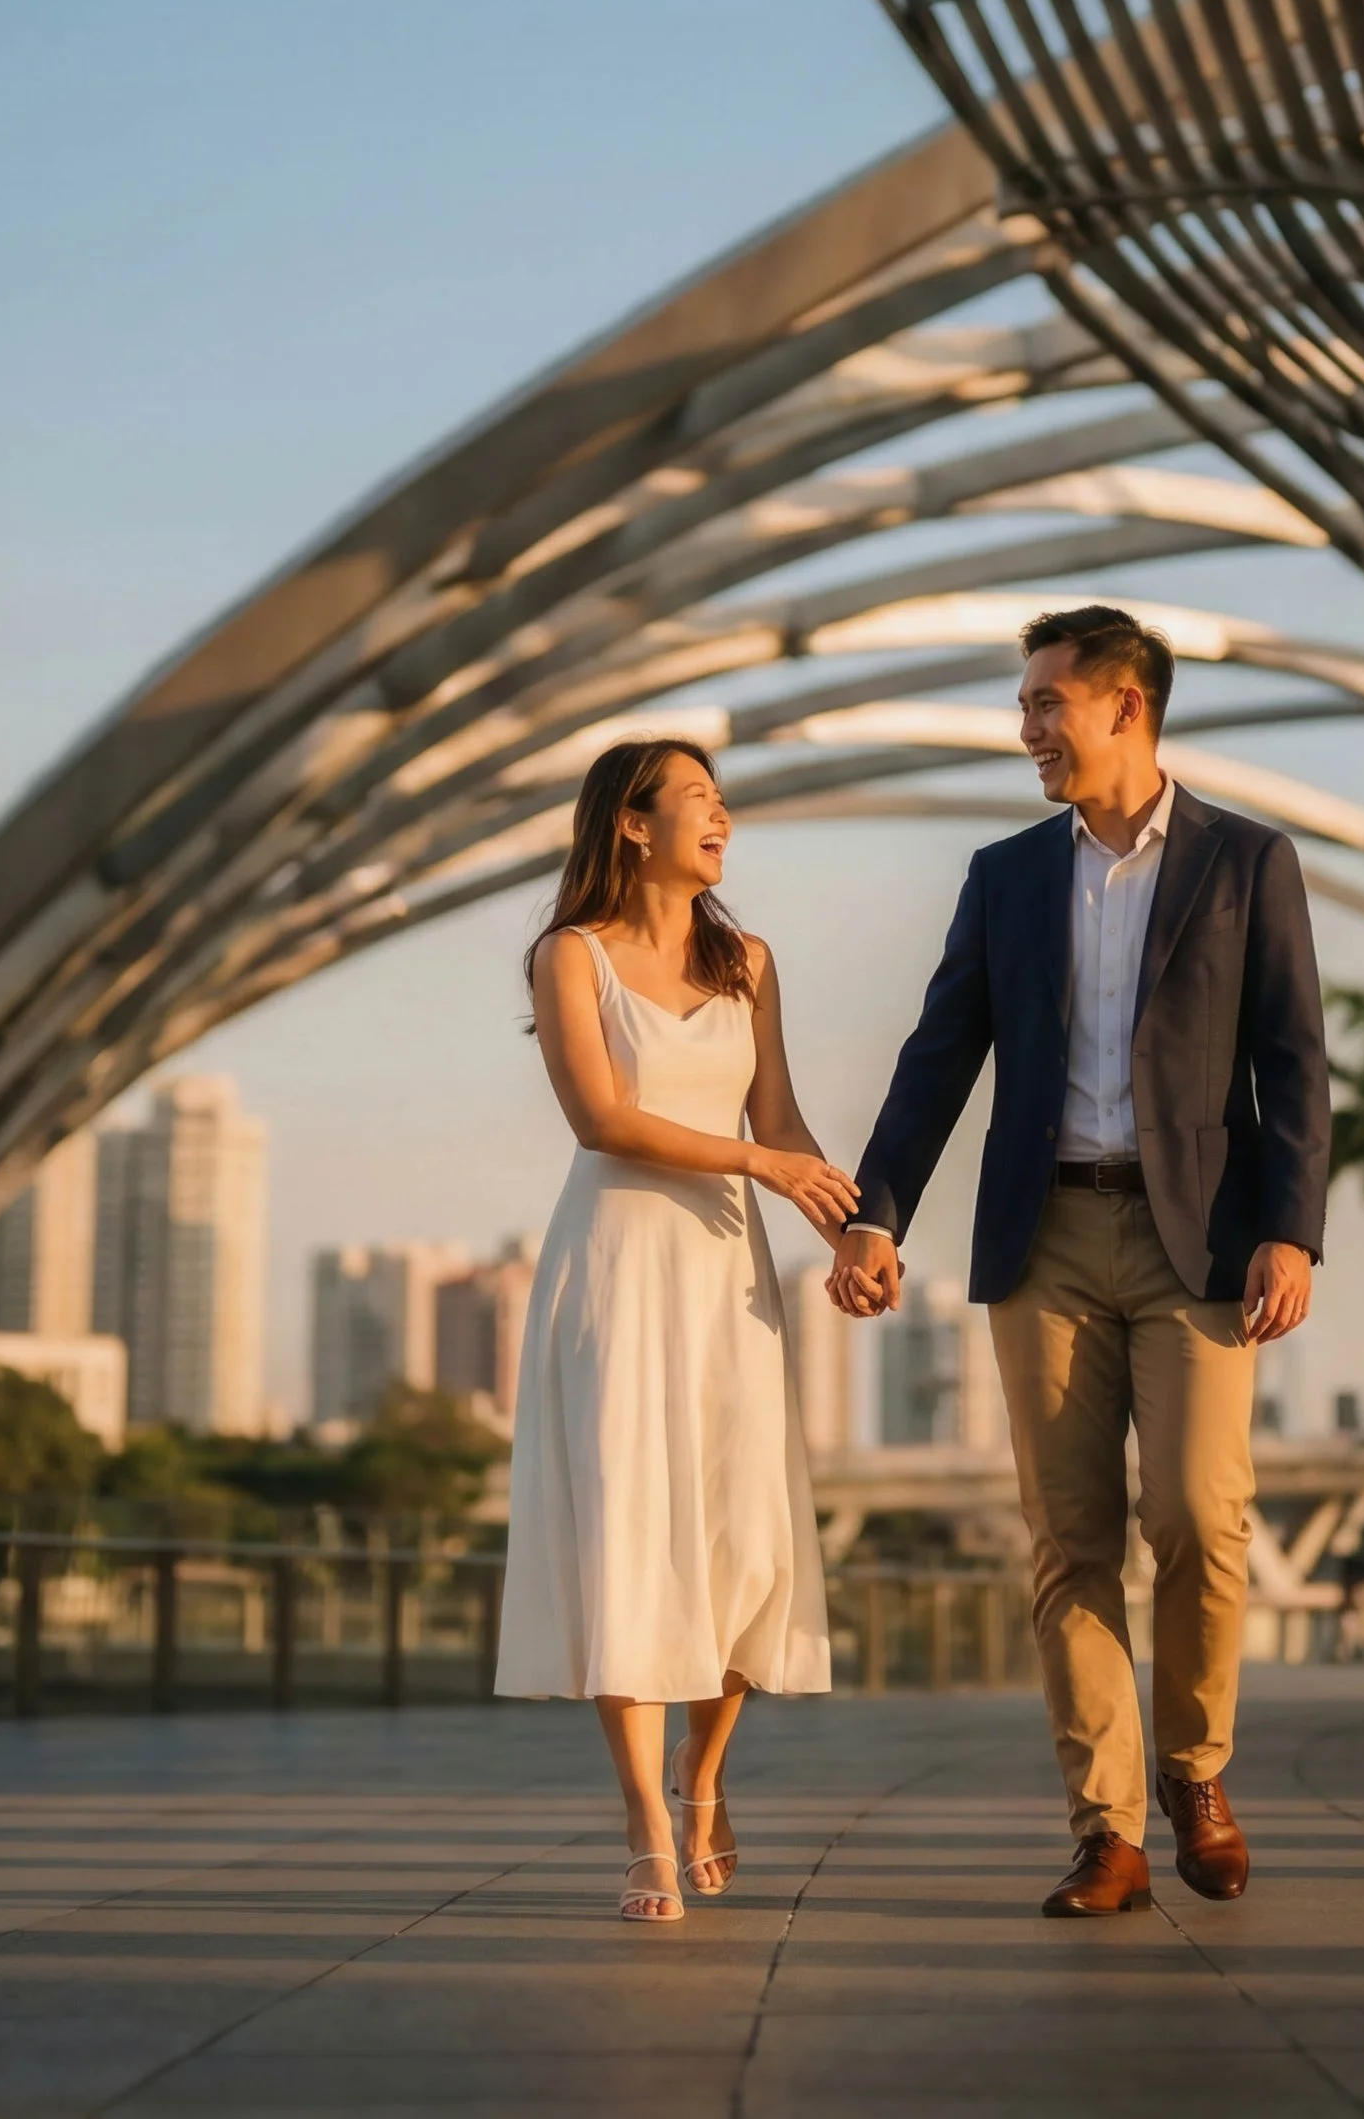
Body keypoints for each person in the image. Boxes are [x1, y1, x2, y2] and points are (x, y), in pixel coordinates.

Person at [830, 605, 1328, 1917]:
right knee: (1070, 1538)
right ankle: (1107, 1826)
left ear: (1127, 706)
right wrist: (876, 1210)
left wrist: (1293, 1223)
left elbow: (1293, 1058)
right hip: (1041, 1236)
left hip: (1200, 1242)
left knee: (1202, 1517)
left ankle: (1195, 1769)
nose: (1027, 727)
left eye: (1047, 702)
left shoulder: (1246, 861)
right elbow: (941, 1052)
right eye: (1024, 705)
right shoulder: (1005, 874)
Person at [497, 737, 855, 1924]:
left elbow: (781, 1114)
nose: (725, 819)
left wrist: (849, 1223)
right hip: (616, 1269)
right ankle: (647, 1824)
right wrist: (758, 1159)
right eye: (699, 800)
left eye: (723, 800)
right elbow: (601, 1118)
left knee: (743, 1535)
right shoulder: (571, 956)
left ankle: (701, 1782)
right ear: (632, 826)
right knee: (630, 1534)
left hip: (725, 1274)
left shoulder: (748, 961)